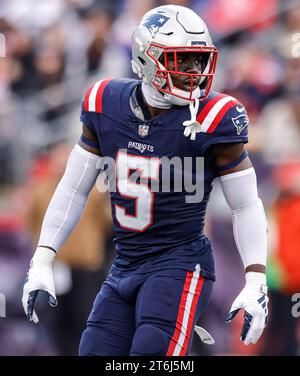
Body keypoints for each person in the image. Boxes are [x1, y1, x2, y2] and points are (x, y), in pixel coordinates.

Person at [22, 5, 269, 356]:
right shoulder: (106, 102)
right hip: (123, 264)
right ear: (146, 58)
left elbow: (246, 204)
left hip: (180, 264)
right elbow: (73, 188)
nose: (193, 72)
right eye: (181, 60)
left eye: (198, 61)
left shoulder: (215, 117)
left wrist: (256, 277)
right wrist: (43, 258)